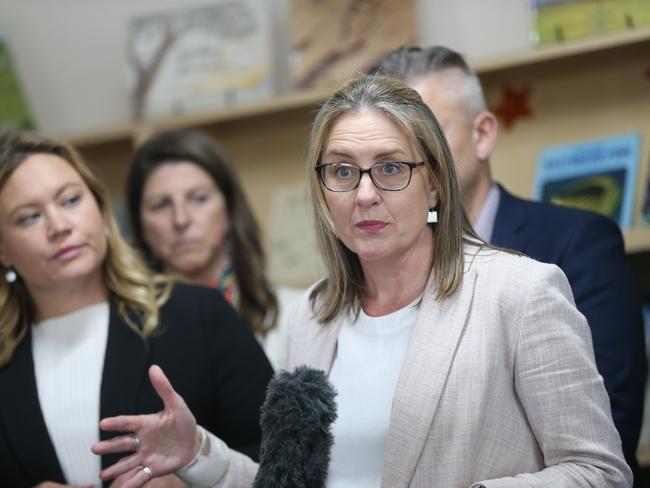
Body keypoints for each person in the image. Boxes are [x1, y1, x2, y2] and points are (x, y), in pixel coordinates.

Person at [93, 75, 631, 487]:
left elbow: (598, 470)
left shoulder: (519, 291)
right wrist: (196, 453)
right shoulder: (316, 311)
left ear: (437, 185)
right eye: (343, 171)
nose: (365, 194)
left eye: (391, 168)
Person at [373, 45, 647, 479]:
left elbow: (608, 428)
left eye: (427, 135)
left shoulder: (577, 243)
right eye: (391, 146)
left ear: (482, 135)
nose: (405, 160)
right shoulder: (382, 269)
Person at [0, 131, 273, 487]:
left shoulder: (200, 315)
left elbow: (288, 459)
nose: (60, 226)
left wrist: (189, 481)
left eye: (70, 200)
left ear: (99, 208)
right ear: (3, 250)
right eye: (30, 217)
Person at [126, 128, 298, 370]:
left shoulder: (297, 315)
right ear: (140, 227)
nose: (181, 219)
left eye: (198, 198)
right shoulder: (127, 334)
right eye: (161, 205)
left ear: (229, 211)